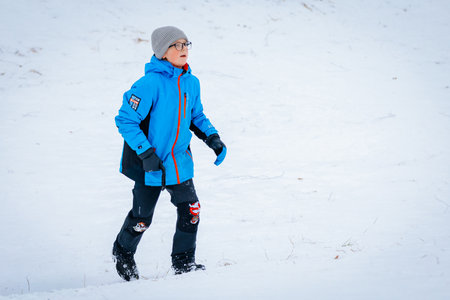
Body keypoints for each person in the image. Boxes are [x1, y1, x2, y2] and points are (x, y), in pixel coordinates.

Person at [112, 26, 227, 281]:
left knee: (191, 211)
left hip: (178, 163)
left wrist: (213, 137)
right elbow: (126, 120)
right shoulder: (148, 84)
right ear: (163, 51)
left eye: (186, 44)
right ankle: (123, 252)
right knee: (142, 219)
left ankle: (184, 264)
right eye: (177, 45)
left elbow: (196, 116)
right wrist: (146, 153)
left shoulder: (191, 82)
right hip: (150, 165)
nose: (184, 49)